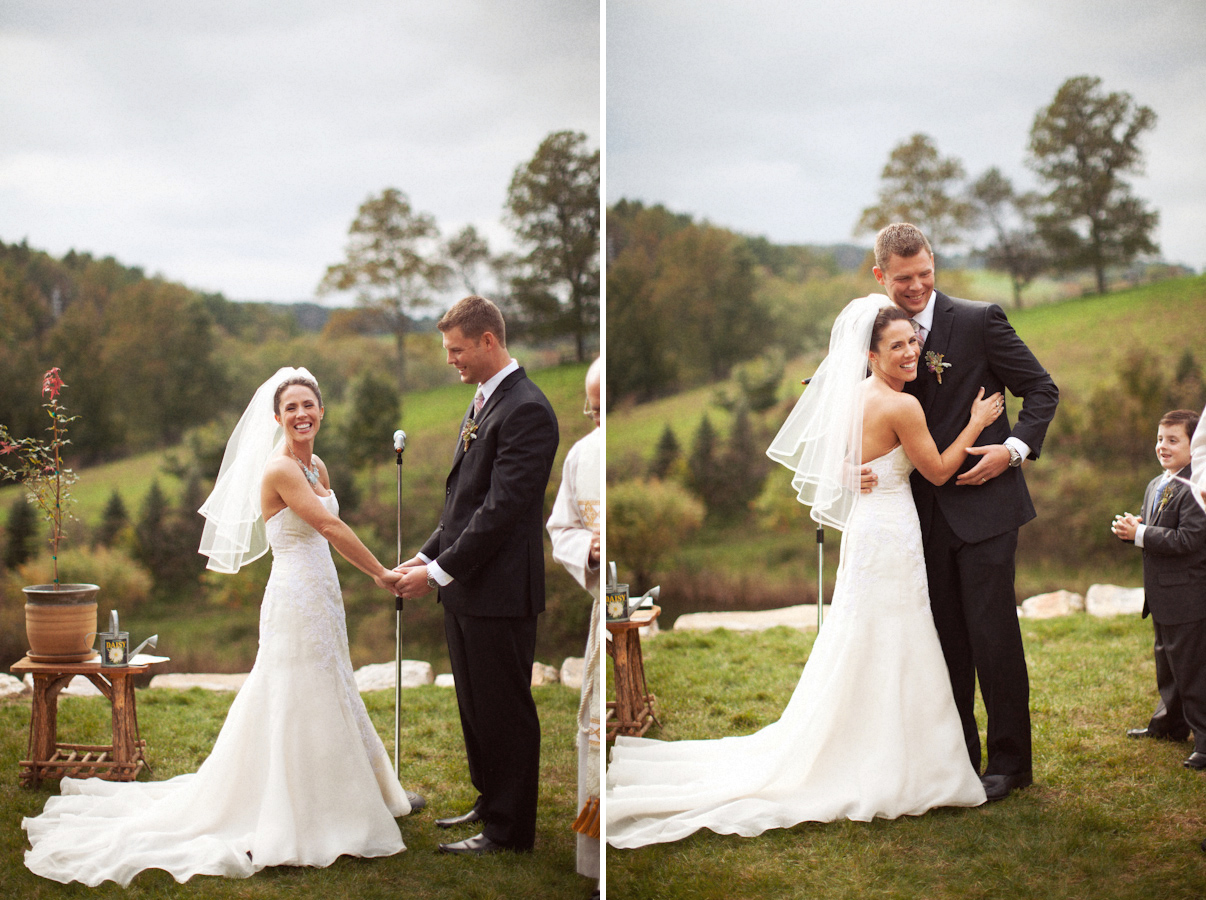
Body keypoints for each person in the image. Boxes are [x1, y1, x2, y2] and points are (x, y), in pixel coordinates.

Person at [606, 296, 1000, 849]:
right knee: (895, 635)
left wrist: (845, 470)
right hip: (890, 532)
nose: (911, 352)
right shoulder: (903, 406)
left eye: (913, 341)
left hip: (867, 529)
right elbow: (935, 471)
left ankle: (870, 745)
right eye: (897, 346)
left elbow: (833, 456)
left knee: (865, 635)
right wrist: (977, 423)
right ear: (870, 354)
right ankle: (901, 760)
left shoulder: (854, 395)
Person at [22, 368, 422, 886]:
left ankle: (355, 795)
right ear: (276, 418)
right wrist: (381, 573)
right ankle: (299, 810)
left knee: (332, 684)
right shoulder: (280, 469)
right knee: (295, 690)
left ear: (322, 411)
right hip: (294, 596)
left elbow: (326, 526)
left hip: (323, 593)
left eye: (309, 405)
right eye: (291, 407)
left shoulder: (316, 465)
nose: (301, 414)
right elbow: (327, 524)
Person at [867, 224, 1059, 802]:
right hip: (916, 516)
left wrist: (1013, 450)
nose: (917, 286)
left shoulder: (980, 321)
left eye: (926, 273)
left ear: (934, 263)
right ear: (880, 276)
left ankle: (1010, 763)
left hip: (987, 508)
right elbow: (856, 411)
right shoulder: (871, 334)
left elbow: (1041, 389)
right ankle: (958, 761)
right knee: (944, 642)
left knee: (993, 636)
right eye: (904, 278)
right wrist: (852, 466)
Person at [395, 296, 559, 855]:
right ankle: (490, 801)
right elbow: (462, 504)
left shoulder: (527, 409)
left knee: (505, 709)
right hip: (468, 588)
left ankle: (509, 831)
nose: (451, 360)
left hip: (501, 591)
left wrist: (438, 573)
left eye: (457, 349)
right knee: (474, 705)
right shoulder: (485, 399)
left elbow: (500, 511)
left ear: (488, 340)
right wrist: (426, 557)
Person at [1112, 409, 1206, 768]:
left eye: (1172, 440)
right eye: (1159, 439)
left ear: (1195, 446)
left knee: (1193, 672)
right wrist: (1135, 528)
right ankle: (1169, 725)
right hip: (1162, 594)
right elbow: (1155, 530)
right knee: (1167, 666)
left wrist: (1141, 533)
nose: (1162, 446)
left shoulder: (1197, 488)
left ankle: (1205, 741)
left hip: (1189, 595)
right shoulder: (1157, 484)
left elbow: (1189, 539)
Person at [546, 357, 602, 888]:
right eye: (594, 409)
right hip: (602, 606)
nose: (599, 419)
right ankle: (595, 865)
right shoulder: (581, 456)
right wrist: (589, 548)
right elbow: (561, 527)